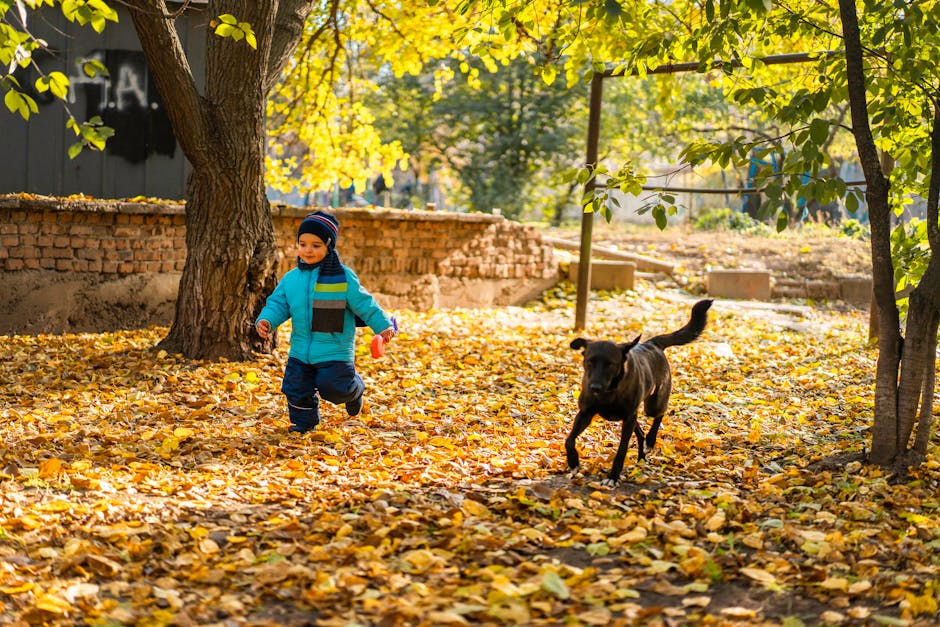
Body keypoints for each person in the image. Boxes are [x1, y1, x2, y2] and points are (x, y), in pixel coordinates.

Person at [256, 210, 396, 433]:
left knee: (335, 388)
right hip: (300, 350)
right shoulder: (292, 278)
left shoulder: (343, 277)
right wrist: (267, 320)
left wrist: (383, 325)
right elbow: (278, 303)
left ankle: (355, 388)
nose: (308, 250)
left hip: (335, 350)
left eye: (316, 245)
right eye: (303, 244)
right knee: (295, 387)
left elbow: (364, 303)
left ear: (329, 246)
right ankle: (304, 424)